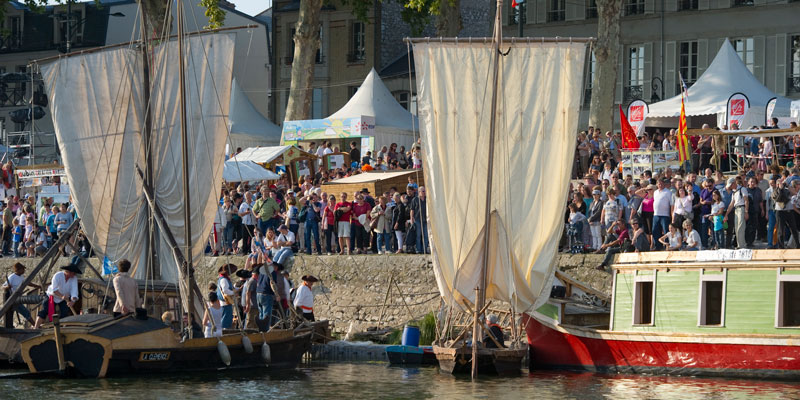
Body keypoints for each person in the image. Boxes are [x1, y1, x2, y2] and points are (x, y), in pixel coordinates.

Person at [34, 262, 82, 328]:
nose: (74, 275)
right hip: (52, 295)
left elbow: (74, 291)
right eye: (73, 273)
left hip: (64, 298)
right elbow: (54, 289)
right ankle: (35, 327)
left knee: (65, 313)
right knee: (45, 311)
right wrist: (61, 296)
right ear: (68, 272)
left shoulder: (74, 279)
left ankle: (62, 328)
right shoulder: (58, 275)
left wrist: (73, 301)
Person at [724, 178, 749, 249]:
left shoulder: (742, 189)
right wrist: (726, 214)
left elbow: (746, 201)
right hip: (736, 209)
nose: (730, 187)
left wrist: (746, 211)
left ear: (734, 183)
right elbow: (732, 204)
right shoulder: (734, 192)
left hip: (741, 208)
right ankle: (740, 244)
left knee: (740, 228)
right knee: (736, 228)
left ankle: (742, 245)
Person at [652, 178, 674, 250]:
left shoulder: (668, 192)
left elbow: (671, 204)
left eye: (661, 183)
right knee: (655, 231)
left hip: (665, 215)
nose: (660, 185)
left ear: (664, 184)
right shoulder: (655, 192)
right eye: (658, 184)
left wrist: (671, 215)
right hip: (656, 214)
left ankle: (666, 246)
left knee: (666, 231)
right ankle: (658, 246)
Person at [216, 264, 237, 329]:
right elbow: (225, 290)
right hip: (225, 302)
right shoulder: (224, 280)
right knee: (226, 318)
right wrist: (234, 293)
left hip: (225, 302)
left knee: (226, 317)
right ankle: (225, 330)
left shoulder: (223, 279)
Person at [409, 186, 429, 254]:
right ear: (419, 192)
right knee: (418, 235)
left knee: (426, 235)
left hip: (426, 219)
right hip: (417, 219)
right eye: (423, 191)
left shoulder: (427, 199)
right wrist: (411, 218)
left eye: (425, 191)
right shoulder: (415, 199)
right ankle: (418, 249)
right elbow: (412, 209)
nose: (424, 192)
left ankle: (425, 249)